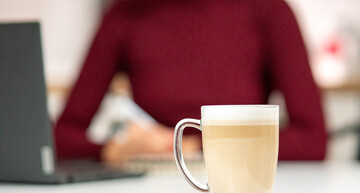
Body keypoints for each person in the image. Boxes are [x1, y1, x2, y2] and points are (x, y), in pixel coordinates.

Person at [55, 0, 327, 163]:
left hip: (237, 187)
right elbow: (62, 136)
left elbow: (312, 139)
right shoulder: (126, 13)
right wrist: (113, 150)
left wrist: (194, 148)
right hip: (151, 191)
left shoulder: (267, 10)